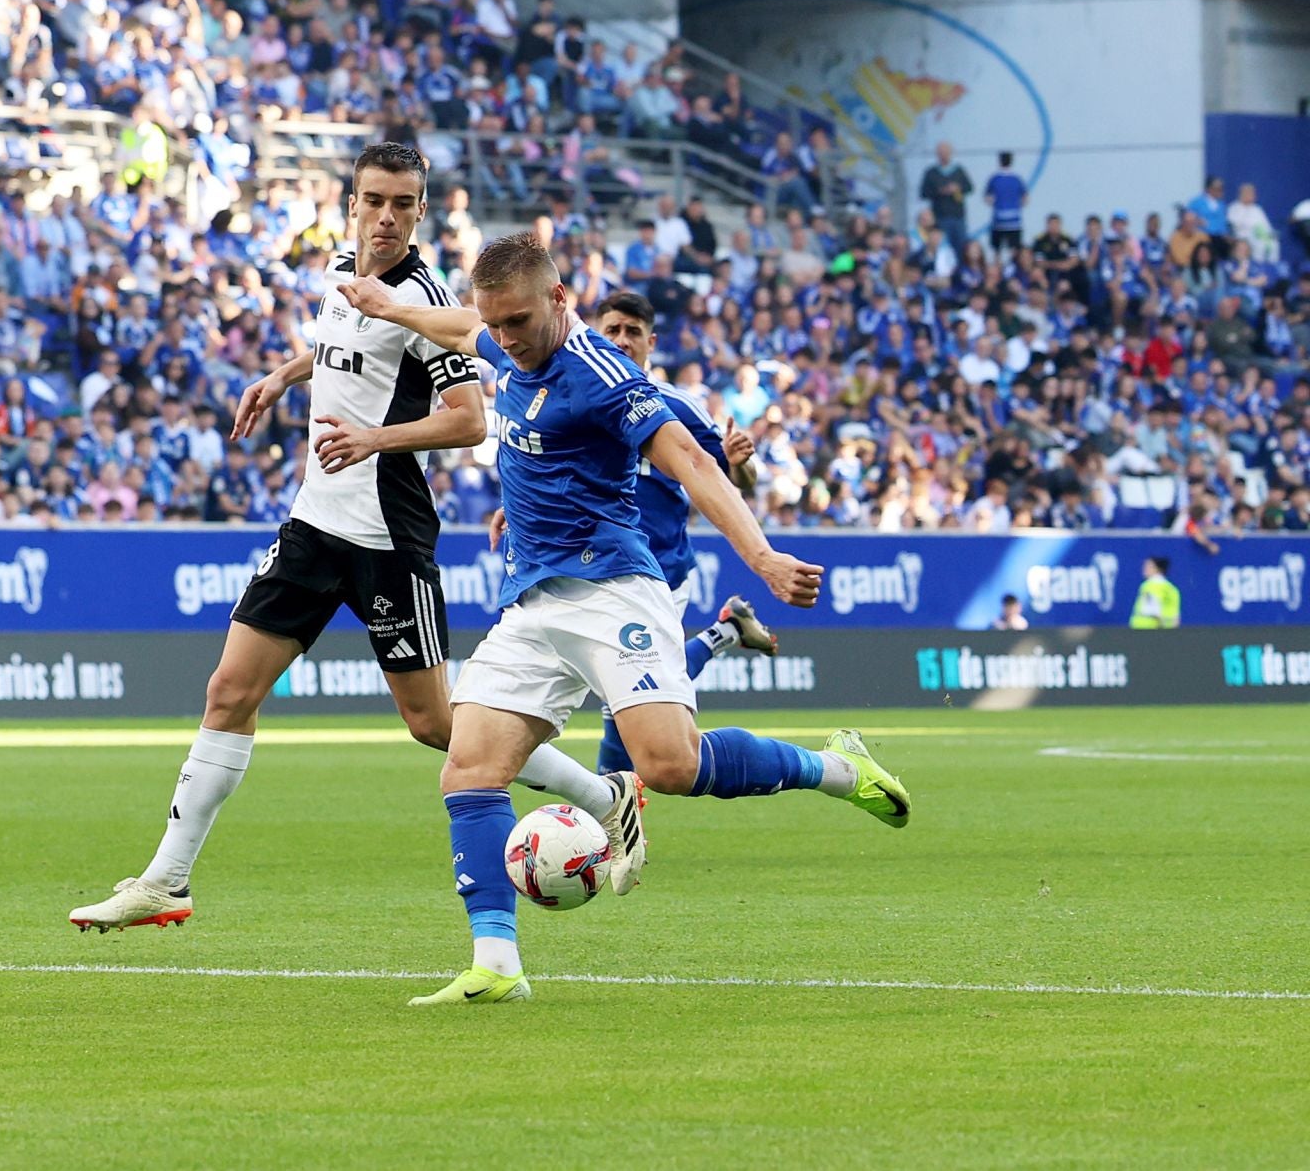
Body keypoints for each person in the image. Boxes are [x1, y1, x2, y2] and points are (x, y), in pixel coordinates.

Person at [341, 233, 911, 1006]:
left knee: (669, 767)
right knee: (468, 766)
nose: (503, 339)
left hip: (613, 590)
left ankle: (840, 768)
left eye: (515, 323)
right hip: (532, 605)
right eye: (495, 325)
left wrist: (763, 556)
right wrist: (389, 306)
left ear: (559, 301)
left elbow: (693, 461)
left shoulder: (604, 375)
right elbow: (461, 333)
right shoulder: (509, 343)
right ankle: (497, 963)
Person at [67, 146, 624, 933]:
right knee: (229, 691)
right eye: (374, 201)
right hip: (312, 524)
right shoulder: (340, 267)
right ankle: (167, 880)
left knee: (435, 725)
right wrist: (286, 374)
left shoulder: (427, 298)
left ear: (421, 210)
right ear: (352, 204)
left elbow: (468, 420)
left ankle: (604, 796)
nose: (387, 217)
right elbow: (346, 347)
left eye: (403, 203)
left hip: (385, 537)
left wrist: (373, 438)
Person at [576, 292, 781, 774]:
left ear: (652, 341)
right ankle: (725, 632)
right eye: (612, 330)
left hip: (661, 574)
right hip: (598, 571)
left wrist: (738, 463)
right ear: (594, 334)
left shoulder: (675, 406)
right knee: (637, 694)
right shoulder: (579, 398)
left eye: (632, 332)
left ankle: (614, 825)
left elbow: (737, 482)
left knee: (628, 703)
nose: (622, 340)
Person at [983, 151, 1027, 257]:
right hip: (1014, 219)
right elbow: (1025, 198)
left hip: (999, 219)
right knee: (1014, 249)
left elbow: (987, 197)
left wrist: (997, 205)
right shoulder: (1016, 179)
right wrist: (1016, 206)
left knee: (997, 250)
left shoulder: (994, 179)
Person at [1129, 556, 1181, 629]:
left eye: (1148, 566)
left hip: (1146, 630)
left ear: (1157, 569)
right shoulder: (1172, 588)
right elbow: (1176, 619)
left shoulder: (1151, 586)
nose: (1144, 569)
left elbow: (1152, 611)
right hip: (1168, 632)